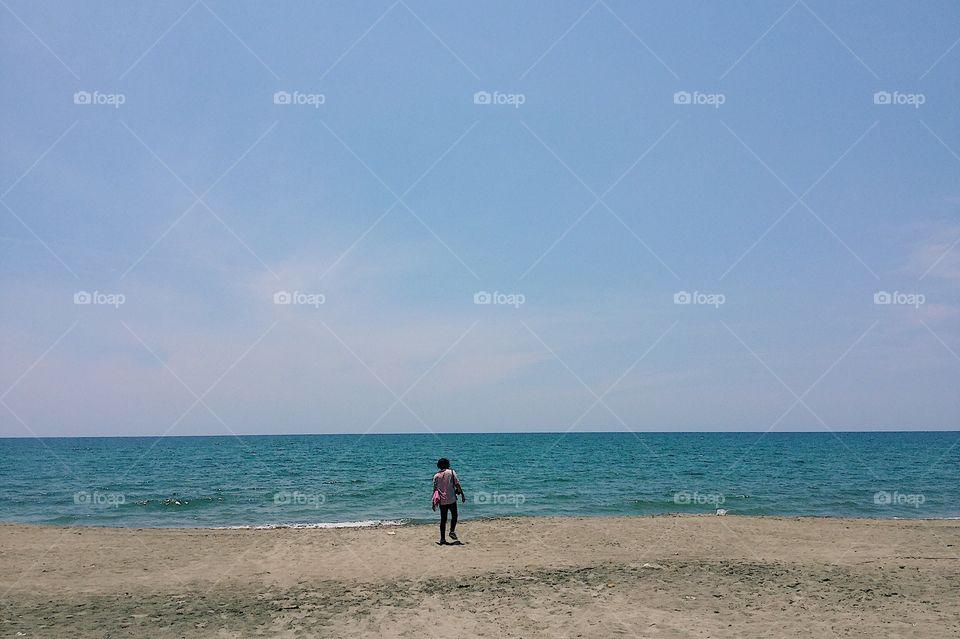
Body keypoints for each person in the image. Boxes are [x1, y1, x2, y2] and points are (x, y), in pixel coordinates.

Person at [432, 458, 465, 544]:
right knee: (454, 516)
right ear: (448, 464)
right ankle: (452, 531)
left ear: (439, 465)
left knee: (443, 520)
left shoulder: (436, 476)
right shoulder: (451, 472)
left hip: (442, 501)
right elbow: (457, 484)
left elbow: (435, 490)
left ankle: (442, 539)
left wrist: (433, 503)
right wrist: (462, 494)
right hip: (451, 499)